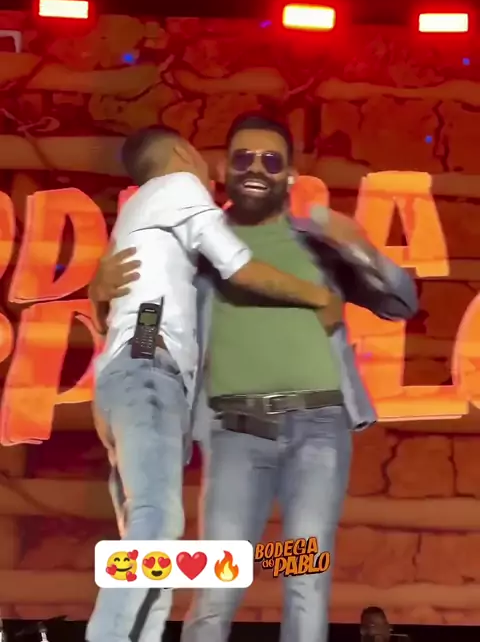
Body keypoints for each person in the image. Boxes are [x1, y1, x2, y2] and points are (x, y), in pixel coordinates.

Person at [89, 114, 418, 642]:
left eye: (271, 160)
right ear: (223, 169)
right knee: (217, 587)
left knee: (304, 577)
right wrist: (98, 290)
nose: (257, 168)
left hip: (318, 430)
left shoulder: (318, 244)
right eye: (244, 158)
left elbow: (401, 303)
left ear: (290, 175)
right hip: (236, 435)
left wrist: (362, 247)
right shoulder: (195, 239)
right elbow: (145, 302)